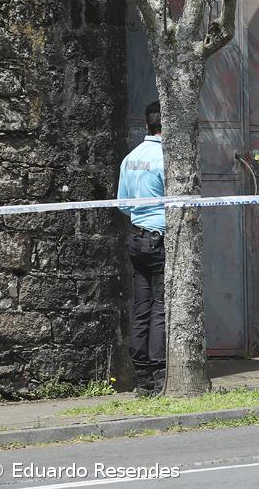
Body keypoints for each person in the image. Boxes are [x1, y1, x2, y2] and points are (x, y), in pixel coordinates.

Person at [117, 101, 166, 396]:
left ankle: (142, 376)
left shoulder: (130, 158)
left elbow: (122, 204)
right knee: (160, 306)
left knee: (141, 305)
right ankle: (160, 373)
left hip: (135, 238)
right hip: (159, 238)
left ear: (146, 125)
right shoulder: (165, 158)